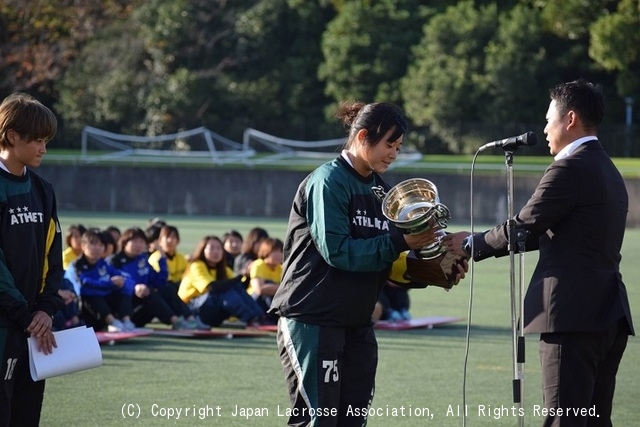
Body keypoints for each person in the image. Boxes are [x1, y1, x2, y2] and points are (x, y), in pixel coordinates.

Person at [443, 79, 634, 426]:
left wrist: (472, 243)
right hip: (608, 313)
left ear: (570, 119)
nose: (545, 128)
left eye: (549, 119)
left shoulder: (570, 167)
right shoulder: (608, 169)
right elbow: (550, 231)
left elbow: (525, 224)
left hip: (573, 316)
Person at [268, 101, 467, 426]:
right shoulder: (328, 181)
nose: (394, 153)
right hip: (313, 319)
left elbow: (392, 261)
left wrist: (434, 268)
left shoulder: (382, 192)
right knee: (318, 422)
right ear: (362, 136)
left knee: (353, 422)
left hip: (357, 323)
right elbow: (339, 251)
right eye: (390, 144)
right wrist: (402, 242)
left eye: (399, 147)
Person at [0, 92, 64, 426]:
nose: (43, 148)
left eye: (46, 141)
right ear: (12, 136)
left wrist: (46, 308)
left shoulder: (43, 189)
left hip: (34, 328)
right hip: (7, 325)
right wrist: (25, 314)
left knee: (27, 415)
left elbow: (55, 254)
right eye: (37, 140)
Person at [109, 227, 196, 330]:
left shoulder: (142, 259)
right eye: (135, 241)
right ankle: (175, 321)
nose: (139, 245)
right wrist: (135, 288)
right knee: (149, 293)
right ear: (124, 243)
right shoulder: (115, 261)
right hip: (125, 309)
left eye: (141, 242)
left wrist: (162, 258)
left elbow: (159, 281)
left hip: (144, 305)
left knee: (166, 288)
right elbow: (118, 281)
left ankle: (190, 318)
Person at [179, 235, 265, 328]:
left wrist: (246, 275)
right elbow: (212, 287)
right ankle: (250, 319)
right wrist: (239, 276)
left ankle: (259, 317)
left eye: (219, 248)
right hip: (190, 310)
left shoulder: (223, 268)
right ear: (202, 251)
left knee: (235, 287)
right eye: (211, 248)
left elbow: (238, 286)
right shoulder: (196, 266)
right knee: (223, 291)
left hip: (210, 310)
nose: (216, 252)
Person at [72, 228, 136, 332]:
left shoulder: (103, 264)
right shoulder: (76, 266)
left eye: (101, 245)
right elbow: (83, 286)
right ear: (83, 246)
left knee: (122, 290)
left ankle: (126, 321)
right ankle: (112, 322)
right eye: (93, 244)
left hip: (106, 304)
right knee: (92, 296)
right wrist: (109, 284)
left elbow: (125, 277)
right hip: (87, 311)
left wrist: (121, 281)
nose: (97, 248)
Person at [248, 237, 283, 314]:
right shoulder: (258, 264)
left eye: (281, 251)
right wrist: (282, 288)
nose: (278, 254)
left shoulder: (281, 268)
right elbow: (259, 290)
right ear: (266, 252)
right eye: (274, 251)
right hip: (254, 301)